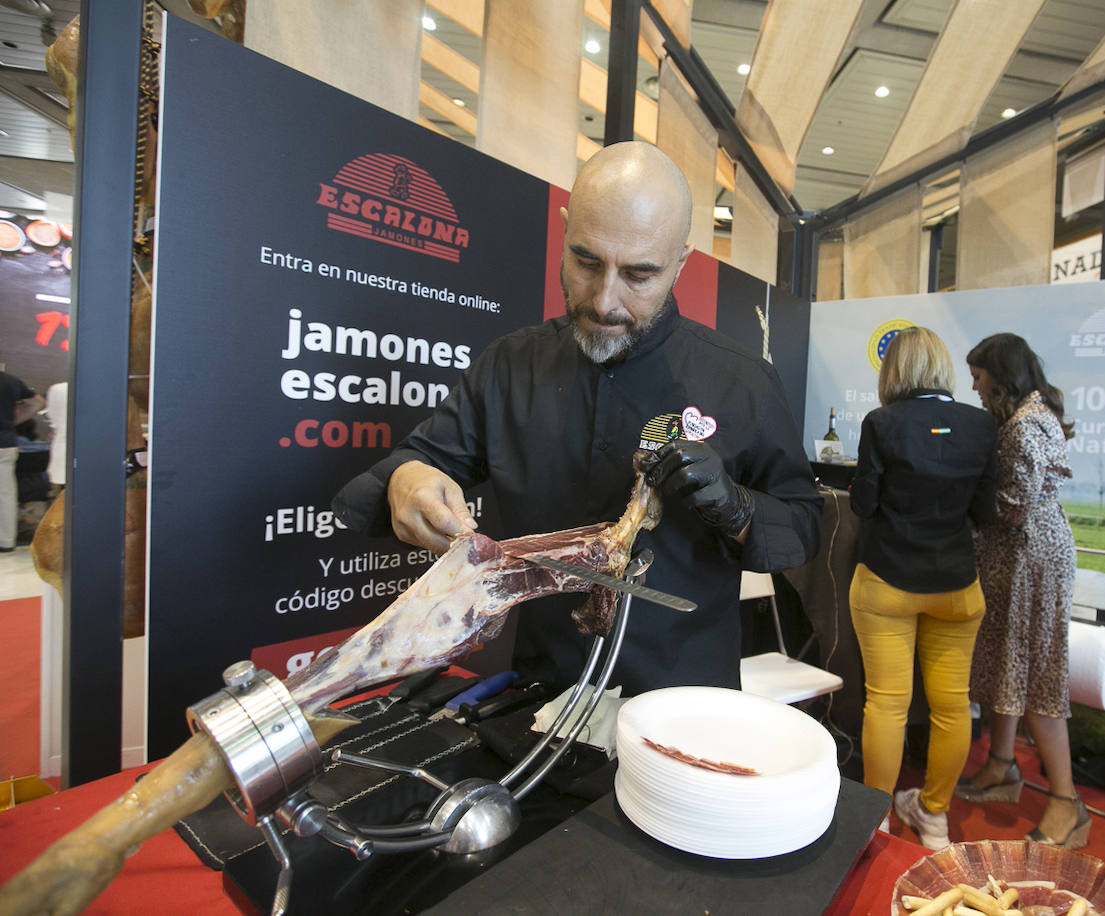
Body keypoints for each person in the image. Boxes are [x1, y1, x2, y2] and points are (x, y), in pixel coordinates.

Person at [332, 141, 822, 696]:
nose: (604, 300)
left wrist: (735, 507)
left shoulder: (744, 382)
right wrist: (409, 479)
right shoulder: (511, 366)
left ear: (680, 263)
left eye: (639, 275)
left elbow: (803, 526)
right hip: (541, 690)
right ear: (565, 231)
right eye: (586, 261)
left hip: (684, 695)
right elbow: (419, 461)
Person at [846, 327, 999, 850]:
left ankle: (877, 818)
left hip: (888, 581)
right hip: (957, 587)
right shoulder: (982, 425)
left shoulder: (882, 423)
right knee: (952, 706)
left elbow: (863, 505)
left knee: (886, 704)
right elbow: (985, 511)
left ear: (894, 371)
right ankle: (934, 816)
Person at [954, 333, 1086, 849]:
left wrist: (963, 508)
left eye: (979, 376)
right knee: (1012, 664)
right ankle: (1002, 767)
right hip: (1024, 555)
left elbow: (1011, 504)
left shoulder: (1024, 426)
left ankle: (1067, 804)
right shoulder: (1033, 413)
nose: (974, 386)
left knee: (1038, 677)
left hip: (1030, 557)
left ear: (1000, 374)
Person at [1, 367, 44, 553]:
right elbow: (37, 404)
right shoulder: (10, 381)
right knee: (5, 493)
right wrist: (12, 423)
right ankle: (6, 541)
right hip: (5, 441)